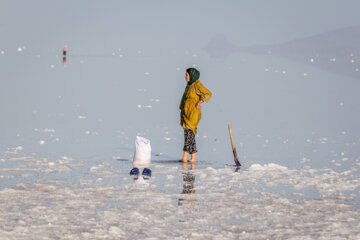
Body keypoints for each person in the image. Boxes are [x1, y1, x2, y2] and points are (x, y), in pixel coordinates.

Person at [179, 68, 212, 162]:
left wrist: (199, 102)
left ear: (192, 75)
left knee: (189, 134)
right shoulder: (189, 85)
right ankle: (194, 157)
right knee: (189, 134)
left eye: (187, 75)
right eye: (185, 75)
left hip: (193, 112)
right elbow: (184, 98)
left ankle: (185, 156)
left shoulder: (197, 84)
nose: (185, 77)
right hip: (186, 112)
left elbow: (208, 93)